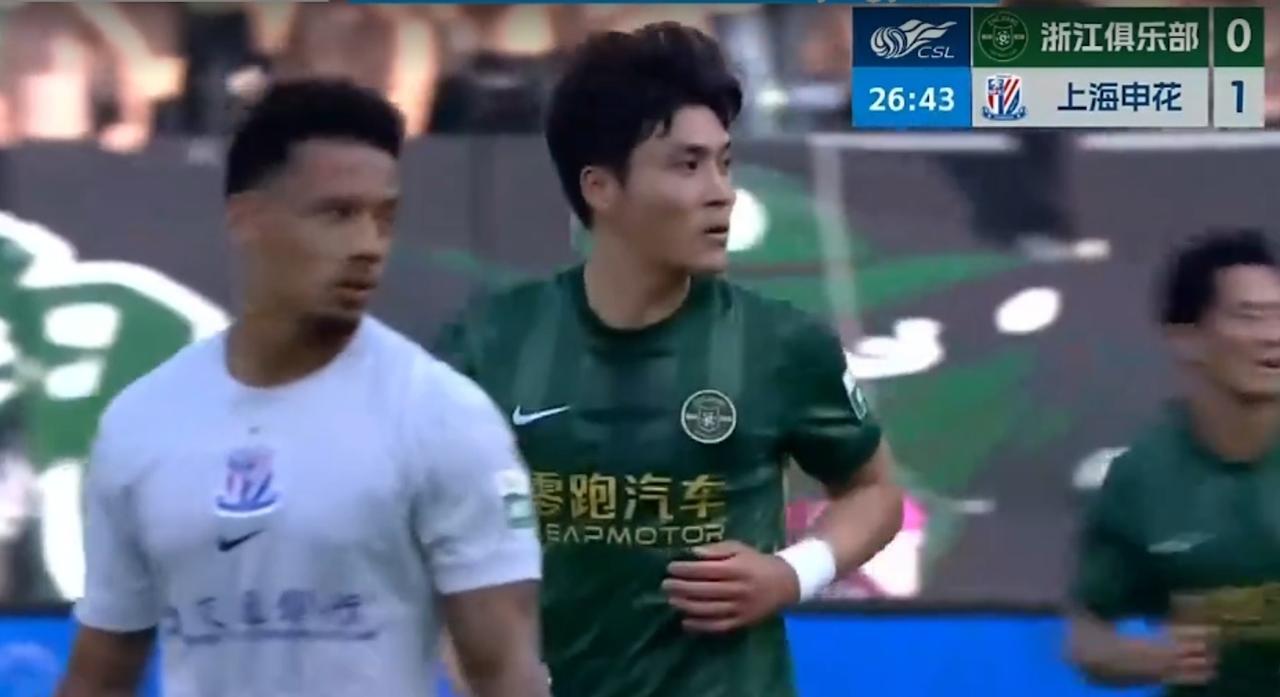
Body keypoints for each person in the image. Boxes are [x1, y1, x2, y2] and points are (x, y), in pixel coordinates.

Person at [434, 23, 903, 697]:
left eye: (724, 163)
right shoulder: (489, 344)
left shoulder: (781, 343)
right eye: (687, 165)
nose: (721, 192)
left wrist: (792, 572)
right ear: (600, 187)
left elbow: (874, 490)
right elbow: (433, 534)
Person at [55, 79, 549, 697]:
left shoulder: (444, 417)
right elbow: (99, 675)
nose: (368, 246)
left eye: (383, 219)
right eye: (338, 215)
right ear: (246, 219)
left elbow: (504, 674)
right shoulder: (142, 423)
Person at [1068, 228, 1280, 696]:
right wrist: (1138, 658)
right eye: (1249, 316)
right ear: (1186, 339)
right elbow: (1088, 635)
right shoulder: (1142, 478)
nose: (1273, 335)